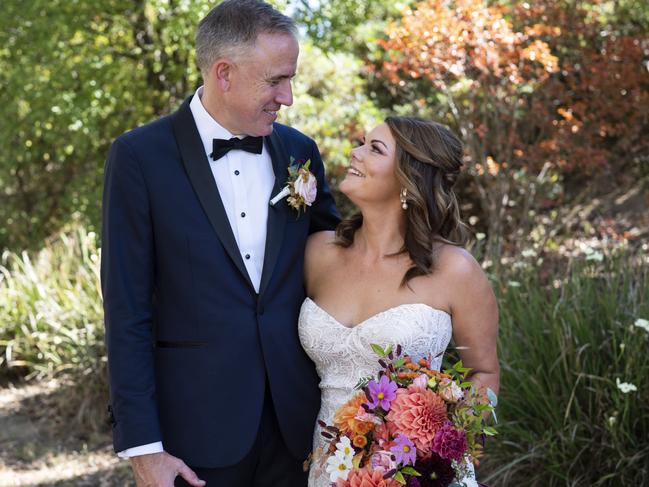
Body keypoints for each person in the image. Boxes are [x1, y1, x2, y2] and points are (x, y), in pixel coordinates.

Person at [101, 1, 340, 486]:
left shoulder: (300, 152)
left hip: (299, 431)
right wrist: (144, 449)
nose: (288, 97)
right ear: (224, 73)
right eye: (275, 80)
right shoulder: (138, 158)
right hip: (194, 439)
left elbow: (337, 260)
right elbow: (126, 309)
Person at [298, 117, 500, 486]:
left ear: (410, 178)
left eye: (374, 149)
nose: (354, 153)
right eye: (361, 142)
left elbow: (483, 373)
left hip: (414, 473)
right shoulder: (318, 254)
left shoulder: (455, 270)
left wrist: (432, 446)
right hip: (330, 465)